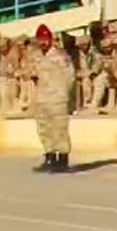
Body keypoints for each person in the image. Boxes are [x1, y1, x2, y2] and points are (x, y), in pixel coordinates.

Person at [31, 24, 75, 173]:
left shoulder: (60, 56)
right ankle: (49, 157)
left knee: (59, 129)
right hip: (42, 98)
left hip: (57, 98)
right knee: (44, 128)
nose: (42, 43)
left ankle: (62, 160)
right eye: (40, 39)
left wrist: (63, 93)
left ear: (50, 39)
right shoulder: (37, 56)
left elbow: (70, 76)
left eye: (45, 39)